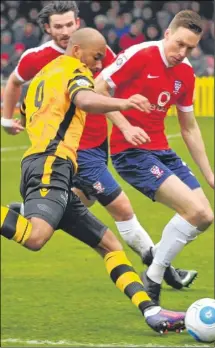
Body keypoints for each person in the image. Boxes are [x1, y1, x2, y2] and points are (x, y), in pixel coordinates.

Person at [0, 27, 186, 334]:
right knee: (35, 238)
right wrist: (124, 103)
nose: (99, 64)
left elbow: (32, 110)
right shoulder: (76, 70)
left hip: (49, 165)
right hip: (51, 163)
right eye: (96, 56)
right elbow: (85, 99)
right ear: (77, 50)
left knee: (111, 246)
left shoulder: (47, 73)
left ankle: (152, 312)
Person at [94, 10, 214, 305]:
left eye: (190, 48)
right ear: (167, 34)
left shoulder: (186, 72)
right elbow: (98, 88)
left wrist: (209, 173)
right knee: (193, 212)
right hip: (131, 152)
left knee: (206, 216)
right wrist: (125, 125)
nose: (182, 53)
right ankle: (156, 276)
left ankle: (154, 263)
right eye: (180, 44)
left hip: (162, 151)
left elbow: (189, 127)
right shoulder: (139, 54)